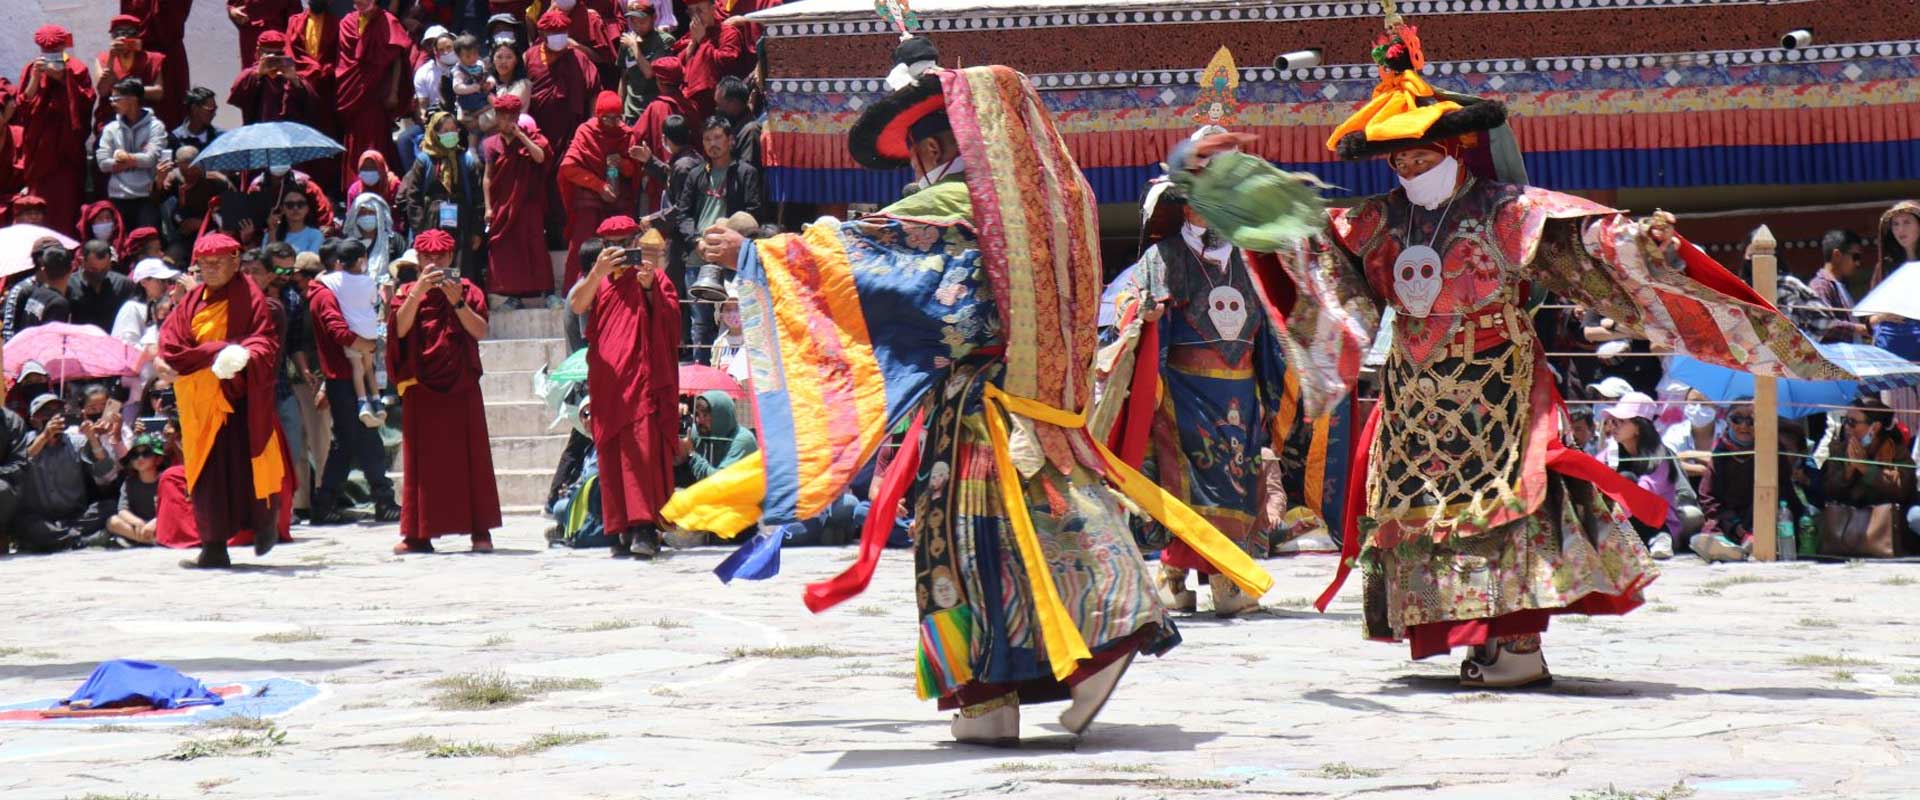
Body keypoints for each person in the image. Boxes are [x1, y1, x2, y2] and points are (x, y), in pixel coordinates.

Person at [1172, 12, 1846, 689]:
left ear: (1454, 147)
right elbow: (1302, 241)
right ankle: (1471, 639)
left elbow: (1582, 235)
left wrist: (1638, 241)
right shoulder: (1377, 220)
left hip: (1498, 387)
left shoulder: (1506, 209)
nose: (1407, 166)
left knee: (1510, 510)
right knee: (1427, 519)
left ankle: (1517, 646)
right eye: (1398, 158)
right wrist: (1222, 188)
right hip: (1415, 399)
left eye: (1420, 153)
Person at [669, 49, 1271, 745]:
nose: (915, 173)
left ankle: (994, 698)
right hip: (1038, 406)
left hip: (974, 409)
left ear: (932, 150)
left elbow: (860, 254)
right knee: (1044, 531)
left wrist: (753, 254)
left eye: (916, 158)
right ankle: (1089, 651)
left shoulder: (953, 205)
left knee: (964, 545)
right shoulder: (1050, 204)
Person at [1105, 146, 1285, 617]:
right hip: (1183, 392)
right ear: (1184, 206)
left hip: (1242, 391)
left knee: (1237, 481)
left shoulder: (1253, 260)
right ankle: (1200, 576)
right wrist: (1143, 314)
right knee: (1191, 484)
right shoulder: (1161, 257)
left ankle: (1196, 576)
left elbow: (1275, 325)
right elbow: (1126, 305)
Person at [158, 233, 292, 568]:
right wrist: (210, 353)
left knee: (249, 466)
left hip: (240, 400)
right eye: (205, 263)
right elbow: (172, 343)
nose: (212, 269)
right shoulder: (192, 301)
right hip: (200, 402)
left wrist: (241, 355)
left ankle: (264, 525)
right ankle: (214, 546)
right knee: (207, 475)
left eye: (219, 262)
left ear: (235, 262)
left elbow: (264, 341)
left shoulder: (249, 296)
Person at [386, 229, 501, 553]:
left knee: (471, 458)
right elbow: (400, 329)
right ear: (418, 260)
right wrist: (418, 292)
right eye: (428, 258)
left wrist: (457, 302)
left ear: (451, 257)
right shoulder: (407, 291)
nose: (434, 263)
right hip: (421, 387)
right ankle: (418, 534)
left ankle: (480, 531)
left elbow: (480, 330)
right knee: (421, 463)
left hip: (461, 384)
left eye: (440, 257)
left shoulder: (468, 290)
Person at [569, 218, 678, 558]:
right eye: (611, 243)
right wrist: (596, 273)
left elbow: (672, 322)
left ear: (636, 241)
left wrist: (650, 290)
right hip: (607, 383)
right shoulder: (598, 281)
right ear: (602, 246)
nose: (618, 248)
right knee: (612, 454)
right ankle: (620, 527)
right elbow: (577, 305)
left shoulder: (653, 276)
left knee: (641, 453)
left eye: (624, 241)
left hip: (641, 380)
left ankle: (644, 526)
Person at [1603, 393, 1703, 560]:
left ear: (1638, 427)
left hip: (1663, 522)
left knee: (1626, 479)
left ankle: (1662, 538)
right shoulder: (1617, 453)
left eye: (1620, 421)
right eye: (1612, 421)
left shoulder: (1659, 456)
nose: (1613, 426)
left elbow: (1645, 492)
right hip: (1629, 518)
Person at [15, 394, 118, 552]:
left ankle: (61, 539)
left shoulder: (76, 442)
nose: (54, 416)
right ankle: (79, 540)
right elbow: (20, 464)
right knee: (22, 524)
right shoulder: (23, 442)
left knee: (109, 506)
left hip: (76, 516)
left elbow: (106, 472)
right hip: (41, 519)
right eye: (47, 412)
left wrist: (93, 438)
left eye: (58, 411)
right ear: (34, 420)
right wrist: (45, 436)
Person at [558, 91, 641, 287]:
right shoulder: (586, 132)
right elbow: (568, 167)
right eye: (607, 118)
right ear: (598, 115)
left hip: (618, 203)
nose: (612, 123)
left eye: (616, 118)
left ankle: (624, 288)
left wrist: (621, 163)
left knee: (622, 245)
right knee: (583, 248)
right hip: (590, 201)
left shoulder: (626, 134)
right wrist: (598, 185)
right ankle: (577, 290)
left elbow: (634, 171)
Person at [19, 25, 95, 236]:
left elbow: (86, 103)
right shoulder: (32, 68)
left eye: (55, 51)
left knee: (66, 207)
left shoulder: (77, 69)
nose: (50, 56)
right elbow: (24, 106)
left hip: (65, 155)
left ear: (63, 47)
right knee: (38, 207)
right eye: (46, 52)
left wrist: (63, 79)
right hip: (40, 155)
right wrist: (36, 77)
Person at [481, 93, 555, 305]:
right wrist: (488, 207)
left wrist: (522, 137)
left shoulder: (533, 138)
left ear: (517, 117)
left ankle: (548, 293)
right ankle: (513, 296)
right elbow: (488, 177)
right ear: (496, 117)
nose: (507, 122)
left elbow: (540, 157)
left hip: (528, 204)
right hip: (503, 205)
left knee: (535, 247)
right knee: (508, 251)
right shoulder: (491, 144)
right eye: (502, 117)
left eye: (511, 117)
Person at [398, 112, 487, 284]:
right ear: (435, 133)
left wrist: (476, 230)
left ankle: (458, 295)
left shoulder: (465, 160)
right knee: (435, 260)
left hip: (461, 222)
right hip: (432, 221)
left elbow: (477, 197)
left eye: (453, 130)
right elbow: (413, 197)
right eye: (445, 131)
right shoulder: (424, 161)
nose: (450, 134)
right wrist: (419, 230)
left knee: (460, 264)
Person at [1820, 397, 1920, 551]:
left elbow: (1902, 491)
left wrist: (1865, 468)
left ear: (1875, 427)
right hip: (1849, 526)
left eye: (1852, 422)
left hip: (1888, 524)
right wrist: (1848, 472)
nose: (1847, 427)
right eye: (1845, 420)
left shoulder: (1896, 450)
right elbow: (1829, 491)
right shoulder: (1840, 450)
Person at [335, 0, 413, 190]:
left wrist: (394, 91)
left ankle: (382, 187)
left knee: (375, 141)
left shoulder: (387, 21)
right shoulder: (348, 22)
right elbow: (344, 61)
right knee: (354, 141)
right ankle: (354, 188)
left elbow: (397, 58)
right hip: (353, 93)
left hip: (375, 96)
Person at [316, 238, 386, 427]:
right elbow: (373, 300)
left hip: (353, 332)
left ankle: (363, 402)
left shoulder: (333, 280)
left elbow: (318, 279)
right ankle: (377, 401)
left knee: (357, 368)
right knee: (368, 367)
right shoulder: (368, 281)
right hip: (369, 331)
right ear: (361, 260)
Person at [526, 10, 600, 182]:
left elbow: (594, 91)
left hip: (570, 129)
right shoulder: (530, 56)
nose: (559, 37)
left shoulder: (579, 58)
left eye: (562, 32)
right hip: (539, 128)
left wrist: (592, 123)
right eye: (553, 33)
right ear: (542, 34)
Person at [1868, 202, 1920, 439]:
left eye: (1907, 222)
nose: (1901, 229)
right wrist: (1885, 316)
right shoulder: (1885, 268)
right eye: (1896, 224)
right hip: (1893, 357)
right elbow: (1870, 318)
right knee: (1900, 427)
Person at [95, 79, 169, 232]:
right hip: (118, 196)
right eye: (111, 99)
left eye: (116, 98)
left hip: (146, 197)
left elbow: (151, 159)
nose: (112, 103)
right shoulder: (111, 129)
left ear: (133, 99)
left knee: (146, 239)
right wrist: (134, 160)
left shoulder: (155, 127)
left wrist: (124, 158)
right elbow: (103, 163)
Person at [119, 0, 194, 127]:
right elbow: (127, 22)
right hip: (139, 55)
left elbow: (174, 21)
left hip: (169, 55)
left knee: (171, 111)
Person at [92, 15, 167, 131]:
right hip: (111, 121)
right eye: (118, 33)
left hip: (144, 120)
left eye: (129, 33)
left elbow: (158, 93)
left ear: (137, 36)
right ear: (112, 37)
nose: (124, 37)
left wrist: (128, 90)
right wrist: (111, 58)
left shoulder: (152, 58)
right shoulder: (103, 58)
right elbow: (103, 91)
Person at [228, 31, 319, 125]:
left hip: (288, 129)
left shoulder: (291, 74)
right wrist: (257, 74)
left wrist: (294, 80)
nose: (274, 58)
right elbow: (237, 98)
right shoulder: (250, 74)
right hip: (259, 128)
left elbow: (312, 103)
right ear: (259, 52)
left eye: (278, 53)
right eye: (268, 53)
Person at [674, 389, 755, 487]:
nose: (699, 420)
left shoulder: (742, 440)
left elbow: (721, 483)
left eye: (705, 415)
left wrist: (691, 455)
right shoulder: (697, 431)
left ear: (721, 417)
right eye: (697, 414)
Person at [613, 1, 675, 121]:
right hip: (631, 111)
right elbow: (624, 78)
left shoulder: (664, 41)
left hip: (653, 110)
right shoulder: (627, 41)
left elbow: (649, 73)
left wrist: (634, 47)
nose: (637, 26)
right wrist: (620, 110)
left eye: (642, 21)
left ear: (654, 18)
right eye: (633, 21)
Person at [1808, 229, 1870, 344]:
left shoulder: (1841, 285)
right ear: (1837, 255)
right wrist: (1862, 329)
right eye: (1855, 257)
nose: (1858, 263)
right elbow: (1824, 324)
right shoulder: (1821, 285)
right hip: (1835, 354)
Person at [105, 433, 167, 546]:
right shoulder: (129, 482)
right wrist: (137, 522)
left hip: (162, 523)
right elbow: (122, 510)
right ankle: (152, 541)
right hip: (140, 526)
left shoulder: (167, 480)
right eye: (135, 455)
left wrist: (155, 522)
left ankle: (144, 539)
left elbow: (174, 510)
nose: (140, 458)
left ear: (158, 459)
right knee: (112, 521)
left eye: (146, 454)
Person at [6, 241, 75, 338]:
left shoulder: (35, 293)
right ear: (72, 268)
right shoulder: (58, 304)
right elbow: (52, 340)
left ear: (43, 269)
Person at [68, 240, 140, 332]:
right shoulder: (69, 284)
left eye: (104, 270)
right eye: (93, 270)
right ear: (82, 262)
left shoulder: (123, 284)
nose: (99, 275)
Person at [114, 257, 183, 345]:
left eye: (167, 281)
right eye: (161, 281)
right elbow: (126, 345)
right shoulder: (131, 308)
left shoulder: (166, 307)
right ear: (143, 282)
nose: (166, 285)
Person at [345, 192, 398, 282]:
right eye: (362, 213)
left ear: (379, 216)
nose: (367, 216)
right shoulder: (347, 244)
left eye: (371, 213)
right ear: (355, 216)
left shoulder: (393, 240)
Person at [229, 0, 299, 65]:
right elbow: (233, 5)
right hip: (252, 38)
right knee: (251, 70)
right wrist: (232, 11)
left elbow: (295, 20)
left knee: (283, 69)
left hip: (279, 41)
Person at [713, 75, 759, 167]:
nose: (717, 109)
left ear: (733, 103)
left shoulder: (751, 131)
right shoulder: (731, 125)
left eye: (720, 105)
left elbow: (746, 171)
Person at [411, 25, 458, 113]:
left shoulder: (469, 63)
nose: (433, 47)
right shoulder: (422, 73)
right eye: (429, 44)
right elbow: (423, 106)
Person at [449, 34, 494, 123]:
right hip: (468, 99)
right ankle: (471, 115)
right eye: (468, 56)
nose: (473, 58)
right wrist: (473, 87)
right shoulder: (458, 70)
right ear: (459, 56)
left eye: (475, 54)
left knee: (494, 101)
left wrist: (490, 82)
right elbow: (457, 88)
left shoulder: (480, 64)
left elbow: (487, 75)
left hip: (483, 95)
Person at [169, 86, 226, 153]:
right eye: (210, 110)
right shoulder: (176, 138)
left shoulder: (220, 136)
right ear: (195, 108)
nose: (214, 114)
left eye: (215, 109)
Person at [268, 187, 325, 255]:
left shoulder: (315, 235)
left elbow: (310, 260)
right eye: (290, 205)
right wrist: (272, 231)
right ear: (282, 209)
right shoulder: (271, 233)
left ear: (307, 209)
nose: (295, 208)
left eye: (300, 204)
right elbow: (267, 259)